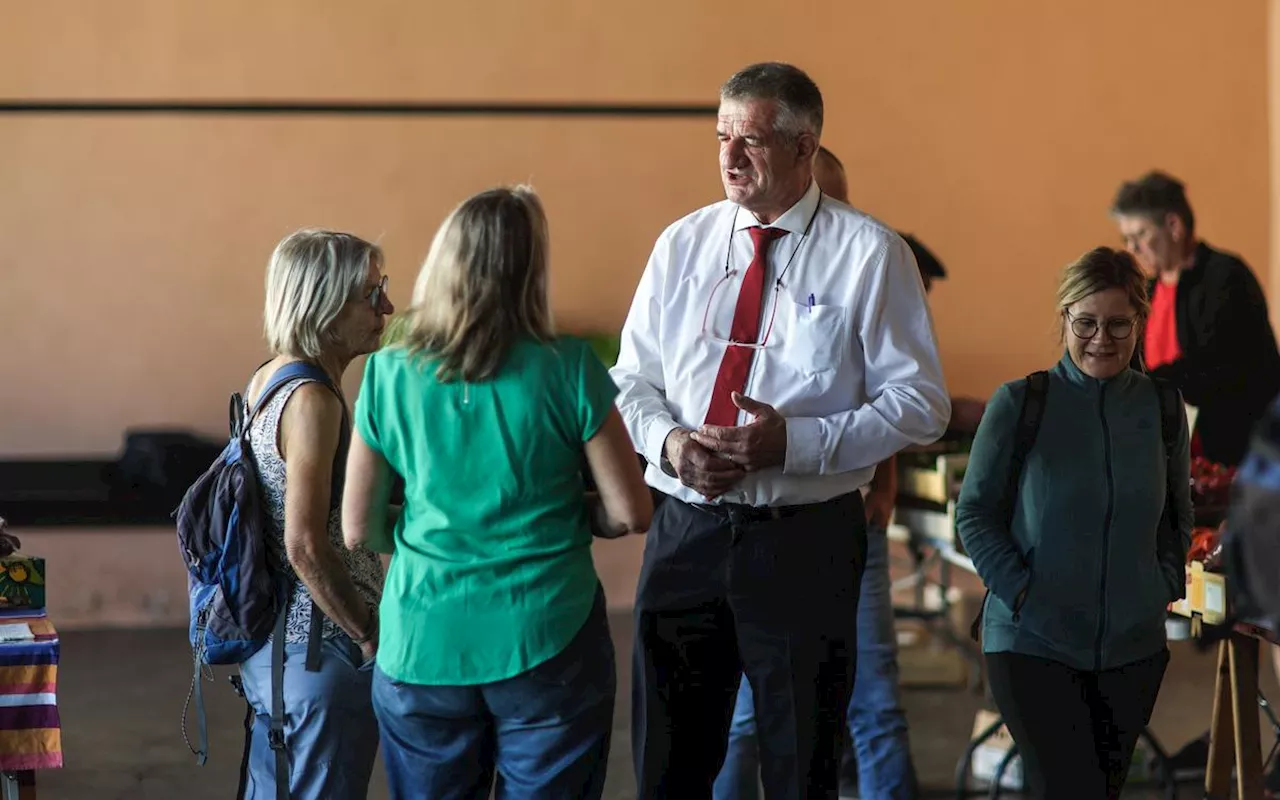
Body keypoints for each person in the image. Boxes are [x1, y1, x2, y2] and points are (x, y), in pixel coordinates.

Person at [611, 62, 950, 798]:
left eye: (753, 140)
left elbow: (922, 403)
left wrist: (794, 444)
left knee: (801, 767)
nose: (730, 157)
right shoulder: (681, 244)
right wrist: (670, 445)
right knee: (668, 764)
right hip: (685, 533)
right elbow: (630, 383)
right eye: (722, 137)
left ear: (805, 148)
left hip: (805, 540)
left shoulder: (871, 253)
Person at [341, 185, 653, 799]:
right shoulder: (569, 366)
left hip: (421, 639)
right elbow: (631, 511)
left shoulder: (388, 372)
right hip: (547, 636)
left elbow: (357, 528)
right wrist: (569, 511)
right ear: (530, 269)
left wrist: (428, 526)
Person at [713, 145, 928, 800]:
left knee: (872, 695)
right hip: (754, 528)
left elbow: (894, 401)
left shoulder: (869, 265)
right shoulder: (739, 270)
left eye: (836, 203)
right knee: (748, 710)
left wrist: (883, 486)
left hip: (841, 524)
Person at [956, 246, 1192, 800]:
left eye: (1118, 324)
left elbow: (1178, 514)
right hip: (1030, 641)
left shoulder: (1161, 407)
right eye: (1085, 322)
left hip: (1133, 647)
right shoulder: (1020, 403)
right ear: (1064, 319)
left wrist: (1160, 586)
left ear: (1140, 321)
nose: (1101, 339)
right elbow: (974, 513)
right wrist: (1021, 593)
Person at [237, 229, 393, 799]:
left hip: (278, 651)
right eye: (372, 294)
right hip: (317, 652)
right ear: (324, 303)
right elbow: (304, 543)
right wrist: (368, 634)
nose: (387, 308)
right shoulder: (313, 401)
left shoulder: (270, 377)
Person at [1111, 170, 1280, 468]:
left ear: (1173, 225)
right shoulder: (1150, 290)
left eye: (1139, 235)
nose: (1131, 249)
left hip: (1238, 458)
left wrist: (1144, 388)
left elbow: (1215, 366)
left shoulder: (1226, 277)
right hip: (1178, 458)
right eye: (1127, 238)